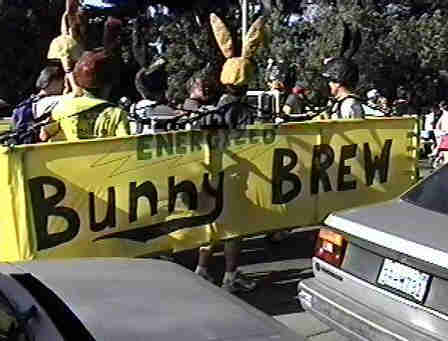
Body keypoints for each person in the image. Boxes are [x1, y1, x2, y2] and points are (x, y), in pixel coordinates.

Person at [40, 49, 130, 142]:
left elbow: (44, 136)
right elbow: (125, 145)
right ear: (109, 84)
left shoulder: (62, 108)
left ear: (77, 81)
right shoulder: (117, 114)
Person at [12, 64, 65, 144]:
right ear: (53, 81)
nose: (64, 86)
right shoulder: (52, 101)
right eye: (62, 82)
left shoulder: (30, 101)